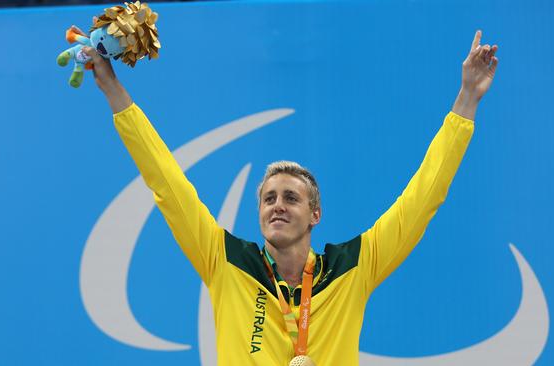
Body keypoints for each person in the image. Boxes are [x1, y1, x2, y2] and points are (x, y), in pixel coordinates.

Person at [81, 27, 498, 366]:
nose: (277, 205)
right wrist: (114, 92)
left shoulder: (353, 267)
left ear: (315, 214)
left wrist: (466, 99)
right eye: (268, 198)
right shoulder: (223, 260)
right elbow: (166, 183)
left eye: (291, 198)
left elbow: (423, 198)